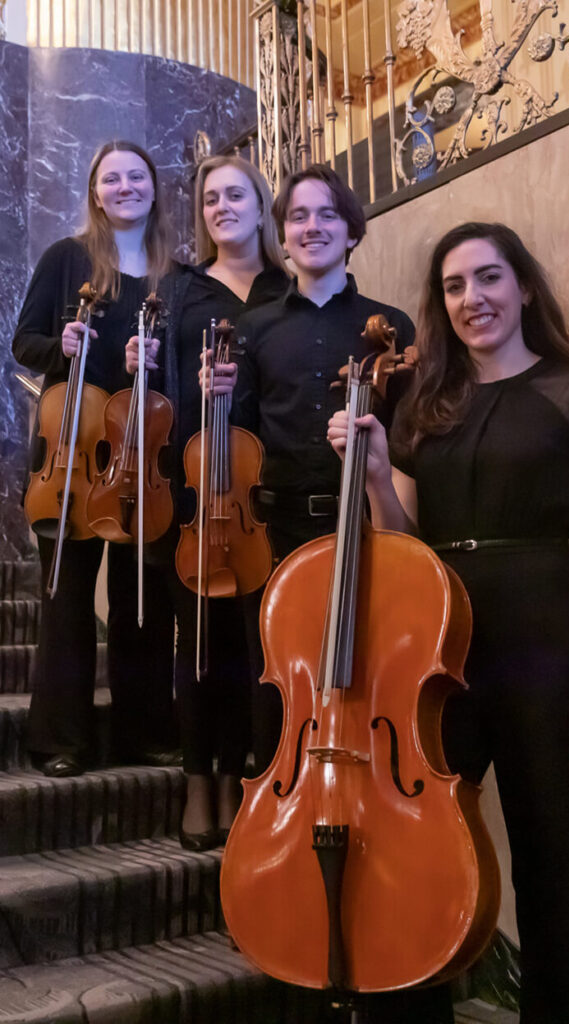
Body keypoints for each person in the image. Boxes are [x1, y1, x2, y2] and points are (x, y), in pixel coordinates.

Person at [328, 222, 569, 1023]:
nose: (474, 300)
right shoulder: (423, 403)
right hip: (442, 652)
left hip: (549, 642)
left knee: (551, 879)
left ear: (524, 287)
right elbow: (401, 542)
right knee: (420, 862)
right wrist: (372, 476)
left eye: (488, 278)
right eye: (454, 286)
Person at [221, 163, 415, 776]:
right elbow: (239, 441)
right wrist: (215, 397)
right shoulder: (253, 329)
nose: (312, 227)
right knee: (277, 686)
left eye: (327, 214)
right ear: (282, 235)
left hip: (365, 532)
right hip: (274, 536)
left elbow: (409, 440)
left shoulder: (391, 327)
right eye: (298, 216)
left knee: (366, 679)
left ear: (352, 231)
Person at [126, 154, 289, 850]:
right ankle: (202, 781)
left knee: (259, 649)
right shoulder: (182, 289)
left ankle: (249, 776)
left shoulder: (290, 288)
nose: (222, 206)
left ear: (260, 205)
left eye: (235, 195)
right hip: (195, 487)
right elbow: (155, 387)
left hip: (266, 493)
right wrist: (137, 363)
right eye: (211, 198)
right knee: (197, 643)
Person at [12, 140, 179, 778]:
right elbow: (25, 343)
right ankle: (61, 740)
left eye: (137, 176)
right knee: (67, 600)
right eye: (112, 179)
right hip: (73, 453)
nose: (125, 187)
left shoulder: (174, 272)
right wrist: (64, 342)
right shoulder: (66, 259)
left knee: (143, 603)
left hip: (142, 451)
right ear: (95, 191)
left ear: (154, 187)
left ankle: (143, 733)